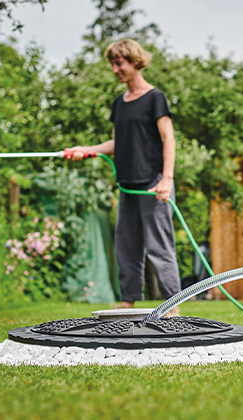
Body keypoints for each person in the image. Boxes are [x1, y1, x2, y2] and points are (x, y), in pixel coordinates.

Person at [64, 39, 181, 313]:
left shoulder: (155, 98)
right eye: (113, 64)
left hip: (153, 185)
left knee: (159, 248)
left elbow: (169, 139)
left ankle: (173, 306)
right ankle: (128, 302)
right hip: (127, 187)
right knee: (126, 248)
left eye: (120, 63)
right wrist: (87, 150)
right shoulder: (119, 104)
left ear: (135, 62)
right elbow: (116, 143)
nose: (116, 69)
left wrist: (167, 179)